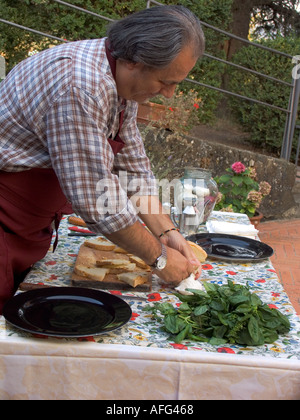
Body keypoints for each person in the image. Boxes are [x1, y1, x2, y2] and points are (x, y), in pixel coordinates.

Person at [0, 5, 205, 312]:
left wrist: (168, 232)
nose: (170, 94)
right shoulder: (80, 86)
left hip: (30, 223)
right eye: (166, 82)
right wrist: (161, 259)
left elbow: (133, 169)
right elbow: (98, 203)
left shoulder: (120, 81)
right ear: (135, 61)